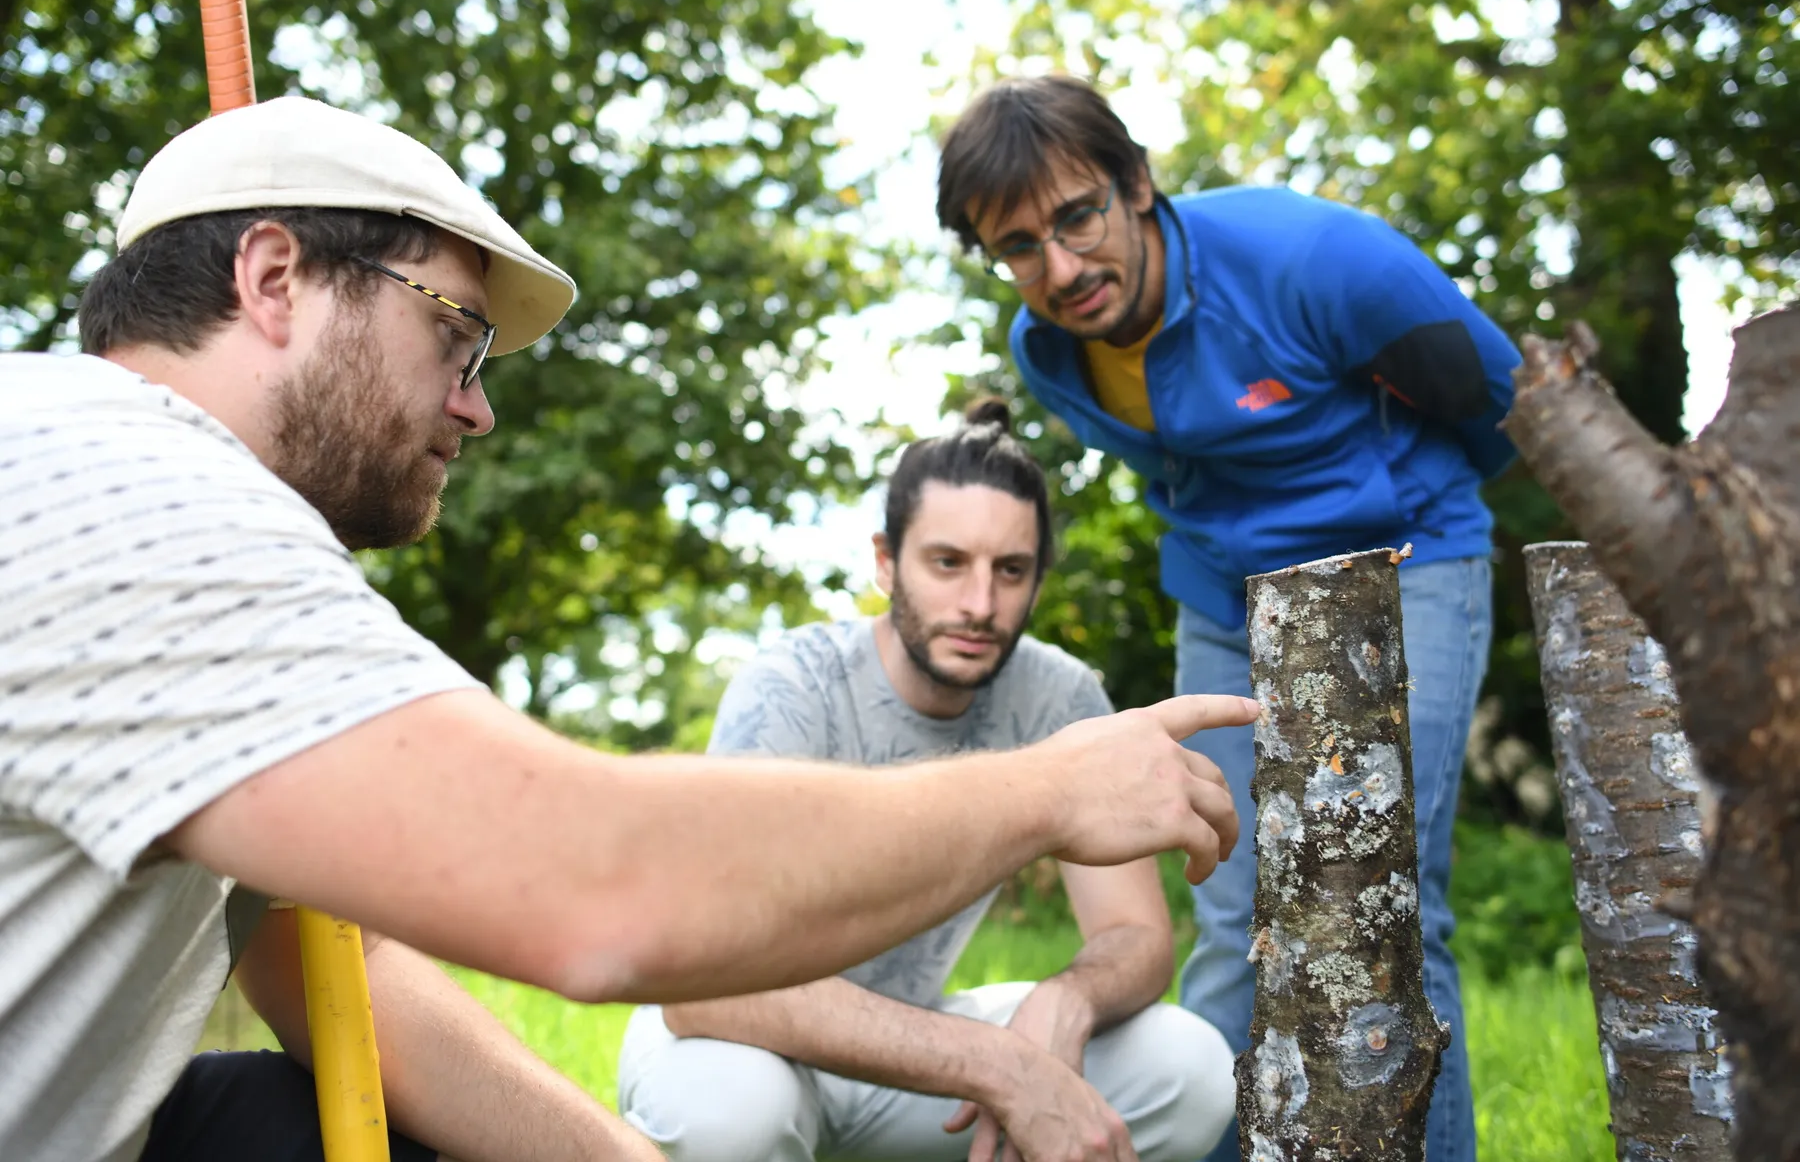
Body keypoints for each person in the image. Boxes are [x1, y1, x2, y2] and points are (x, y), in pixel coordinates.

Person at [0, 96, 1258, 1162]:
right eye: (454, 332)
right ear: (274, 278)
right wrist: (1049, 793)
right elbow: (598, 886)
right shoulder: (122, 489)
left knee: (310, 1115)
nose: (477, 407)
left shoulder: (145, 501)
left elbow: (346, 977)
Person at [934, 75, 1521, 1162]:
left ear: (1138, 185)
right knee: (1232, 910)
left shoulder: (1309, 259)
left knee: (1387, 905)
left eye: (1078, 217)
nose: (1059, 270)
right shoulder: (1048, 355)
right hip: (1227, 600)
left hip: (1410, 563)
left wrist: (1395, 501)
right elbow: (1178, 466)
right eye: (1018, 247)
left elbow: (1496, 395)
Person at [618, 400, 1235, 1162]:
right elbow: (701, 984)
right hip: (740, 1039)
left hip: (908, 1043)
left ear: (1038, 581)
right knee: (732, 1114)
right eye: (948, 563)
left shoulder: (1062, 699)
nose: (980, 605)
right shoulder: (792, 685)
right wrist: (999, 1065)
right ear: (886, 561)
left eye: (1010, 570)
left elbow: (1136, 935)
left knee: (1192, 1068)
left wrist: (1069, 998)